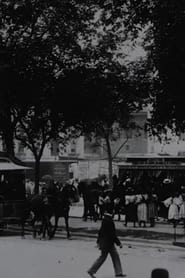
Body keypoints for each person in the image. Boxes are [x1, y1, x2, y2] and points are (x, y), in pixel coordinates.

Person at [87, 212, 126, 278]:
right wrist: (118, 243)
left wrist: (98, 242)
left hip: (105, 243)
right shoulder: (110, 222)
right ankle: (91, 270)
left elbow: (100, 232)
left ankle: (118, 272)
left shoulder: (105, 221)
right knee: (106, 257)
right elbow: (112, 234)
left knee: (111, 256)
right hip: (108, 243)